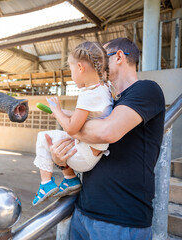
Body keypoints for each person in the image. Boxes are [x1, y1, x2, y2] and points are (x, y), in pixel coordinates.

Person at [48, 38, 165, 239]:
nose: (96, 62)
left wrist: (70, 125)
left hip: (120, 221)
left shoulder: (146, 90)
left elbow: (107, 132)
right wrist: (61, 162)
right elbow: (90, 141)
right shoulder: (106, 99)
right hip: (84, 211)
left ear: (119, 56)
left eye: (101, 57)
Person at [32, 41, 117, 207]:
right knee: (52, 138)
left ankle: (46, 183)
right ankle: (70, 179)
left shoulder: (88, 94)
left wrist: (56, 110)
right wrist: (62, 112)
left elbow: (71, 128)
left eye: (71, 70)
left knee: (43, 136)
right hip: (91, 152)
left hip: (83, 156)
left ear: (80, 67)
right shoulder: (104, 88)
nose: (71, 75)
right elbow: (83, 116)